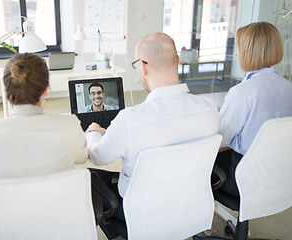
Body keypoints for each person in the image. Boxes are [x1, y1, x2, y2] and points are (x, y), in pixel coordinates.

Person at [85, 32, 219, 239]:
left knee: (92, 180)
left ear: (143, 67)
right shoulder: (209, 109)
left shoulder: (130, 119)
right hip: (191, 205)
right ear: (178, 61)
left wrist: (94, 133)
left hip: (142, 214)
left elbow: (98, 157)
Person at [0, 53, 88, 179]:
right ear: (46, 90)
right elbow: (82, 157)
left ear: (7, 88)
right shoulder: (69, 124)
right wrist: (92, 133)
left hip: (7, 198)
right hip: (57, 197)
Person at [215, 22, 292, 198]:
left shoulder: (243, 92)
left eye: (239, 48)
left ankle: (204, 219)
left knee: (203, 163)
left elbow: (221, 137)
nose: (236, 53)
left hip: (243, 181)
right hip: (282, 176)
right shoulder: (289, 88)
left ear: (250, 52)